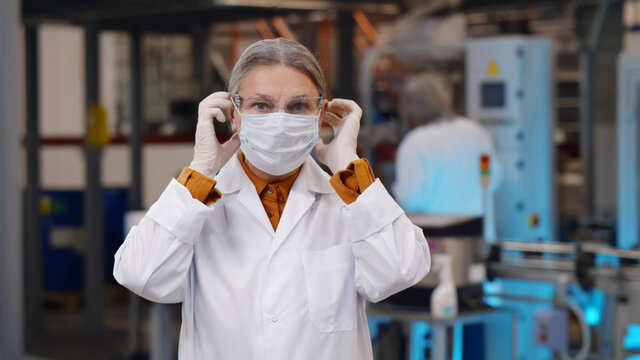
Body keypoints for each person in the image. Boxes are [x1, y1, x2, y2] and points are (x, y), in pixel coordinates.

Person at [113, 38, 430, 359]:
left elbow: (401, 271)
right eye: (261, 106)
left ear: (321, 114)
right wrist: (202, 167)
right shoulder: (196, 202)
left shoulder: (350, 200)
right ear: (233, 115)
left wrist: (347, 163)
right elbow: (142, 276)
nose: (280, 120)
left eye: (298, 106)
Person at [392, 74, 501, 215]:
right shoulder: (476, 131)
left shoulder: (415, 141)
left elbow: (411, 199)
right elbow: (492, 177)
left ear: (410, 107)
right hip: (478, 228)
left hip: (435, 233)